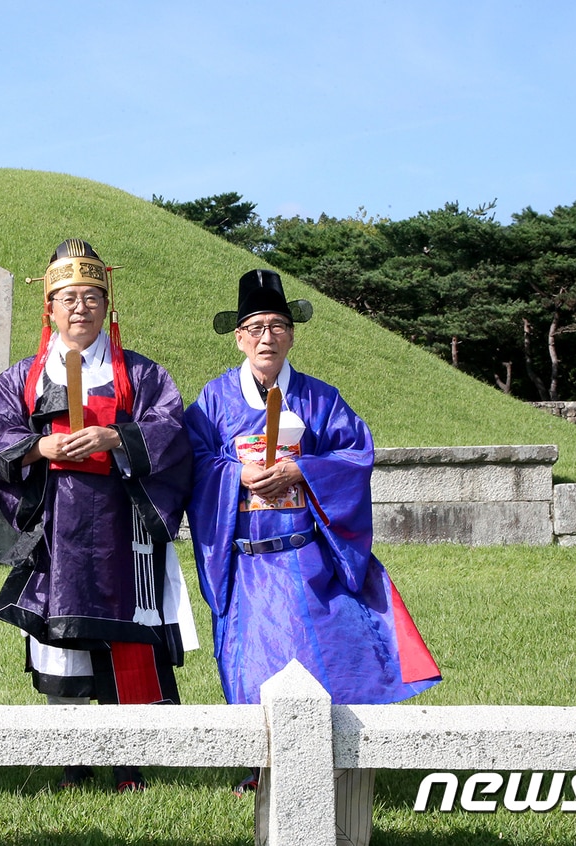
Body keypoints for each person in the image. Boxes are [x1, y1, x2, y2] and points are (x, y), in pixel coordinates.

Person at [185, 268, 440, 794]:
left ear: (291, 335)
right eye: (255, 327)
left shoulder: (321, 399)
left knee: (317, 656)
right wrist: (236, 473)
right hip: (247, 561)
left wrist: (305, 470)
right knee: (252, 663)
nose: (267, 337)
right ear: (239, 337)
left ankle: (331, 761)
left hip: (305, 558)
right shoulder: (212, 403)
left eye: (277, 326)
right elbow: (192, 461)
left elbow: (356, 454)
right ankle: (258, 768)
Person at [0, 239, 195, 793]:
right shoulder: (20, 379)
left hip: (123, 528)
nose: (80, 308)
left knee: (129, 635)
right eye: (68, 297)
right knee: (61, 637)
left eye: (92, 296)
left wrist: (115, 435)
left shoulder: (142, 377)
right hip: (58, 529)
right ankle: (73, 761)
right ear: (48, 307)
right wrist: (38, 450)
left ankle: (129, 764)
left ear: (107, 303)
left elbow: (172, 432)